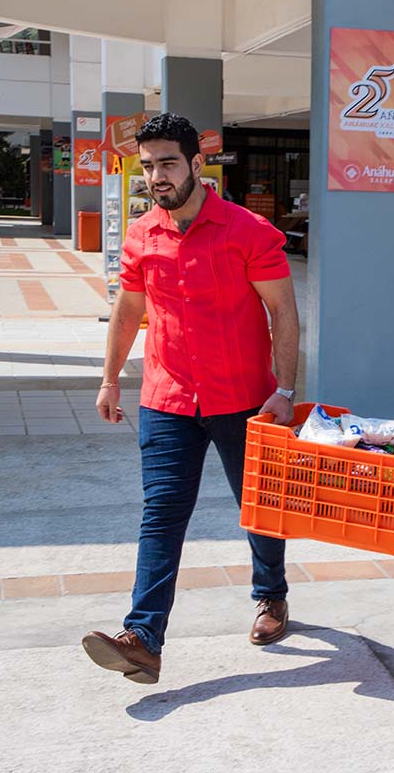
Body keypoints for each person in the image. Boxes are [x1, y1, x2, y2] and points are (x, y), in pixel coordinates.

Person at [81, 113, 301, 684]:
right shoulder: (140, 234)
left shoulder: (249, 230)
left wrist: (284, 391)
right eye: (148, 165)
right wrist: (110, 379)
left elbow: (282, 313)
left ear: (196, 164)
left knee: (258, 509)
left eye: (168, 163)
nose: (156, 175)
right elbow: (130, 311)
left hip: (242, 399)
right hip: (167, 398)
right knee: (162, 514)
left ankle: (271, 596)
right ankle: (143, 637)